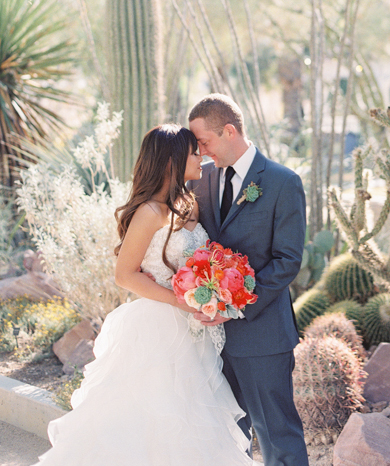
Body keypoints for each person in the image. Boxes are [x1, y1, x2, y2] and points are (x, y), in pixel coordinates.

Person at [37, 124, 253, 466]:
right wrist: (180, 300)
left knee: (193, 419)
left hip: (196, 328)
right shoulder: (149, 212)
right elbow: (125, 275)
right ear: (172, 160)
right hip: (159, 327)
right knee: (157, 418)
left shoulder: (188, 204)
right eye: (194, 151)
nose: (202, 157)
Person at [188, 94, 308, 466]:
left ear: (229, 131)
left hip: (263, 335)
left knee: (277, 433)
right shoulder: (202, 179)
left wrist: (233, 307)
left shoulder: (282, 182)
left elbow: (287, 261)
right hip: (209, 339)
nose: (201, 151)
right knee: (225, 433)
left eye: (204, 142)